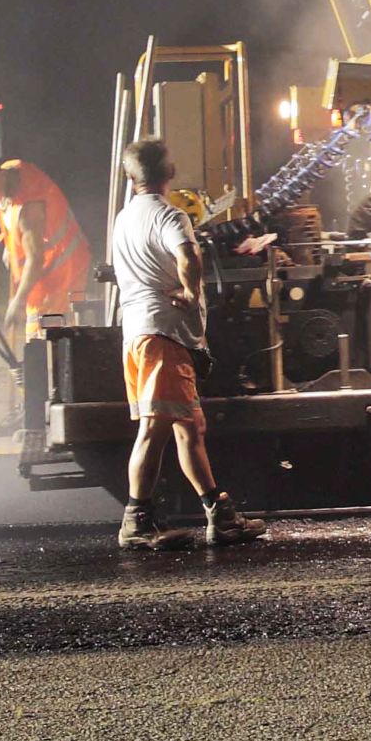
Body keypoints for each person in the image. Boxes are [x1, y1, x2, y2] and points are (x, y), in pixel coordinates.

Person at [108, 136, 267, 550]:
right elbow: (189, 258)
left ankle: (220, 514)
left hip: (142, 335)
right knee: (154, 429)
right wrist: (191, 291)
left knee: (189, 426)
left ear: (130, 176)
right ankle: (136, 522)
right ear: (170, 173)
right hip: (163, 335)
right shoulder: (170, 216)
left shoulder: (124, 218)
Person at [0, 155, 93, 340]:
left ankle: (45, 367)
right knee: (44, 339)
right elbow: (9, 215)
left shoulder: (29, 208)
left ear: (0, 176)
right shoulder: (9, 175)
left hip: (62, 274)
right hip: (46, 273)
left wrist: (18, 300)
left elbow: (35, 258)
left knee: (47, 337)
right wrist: (9, 247)